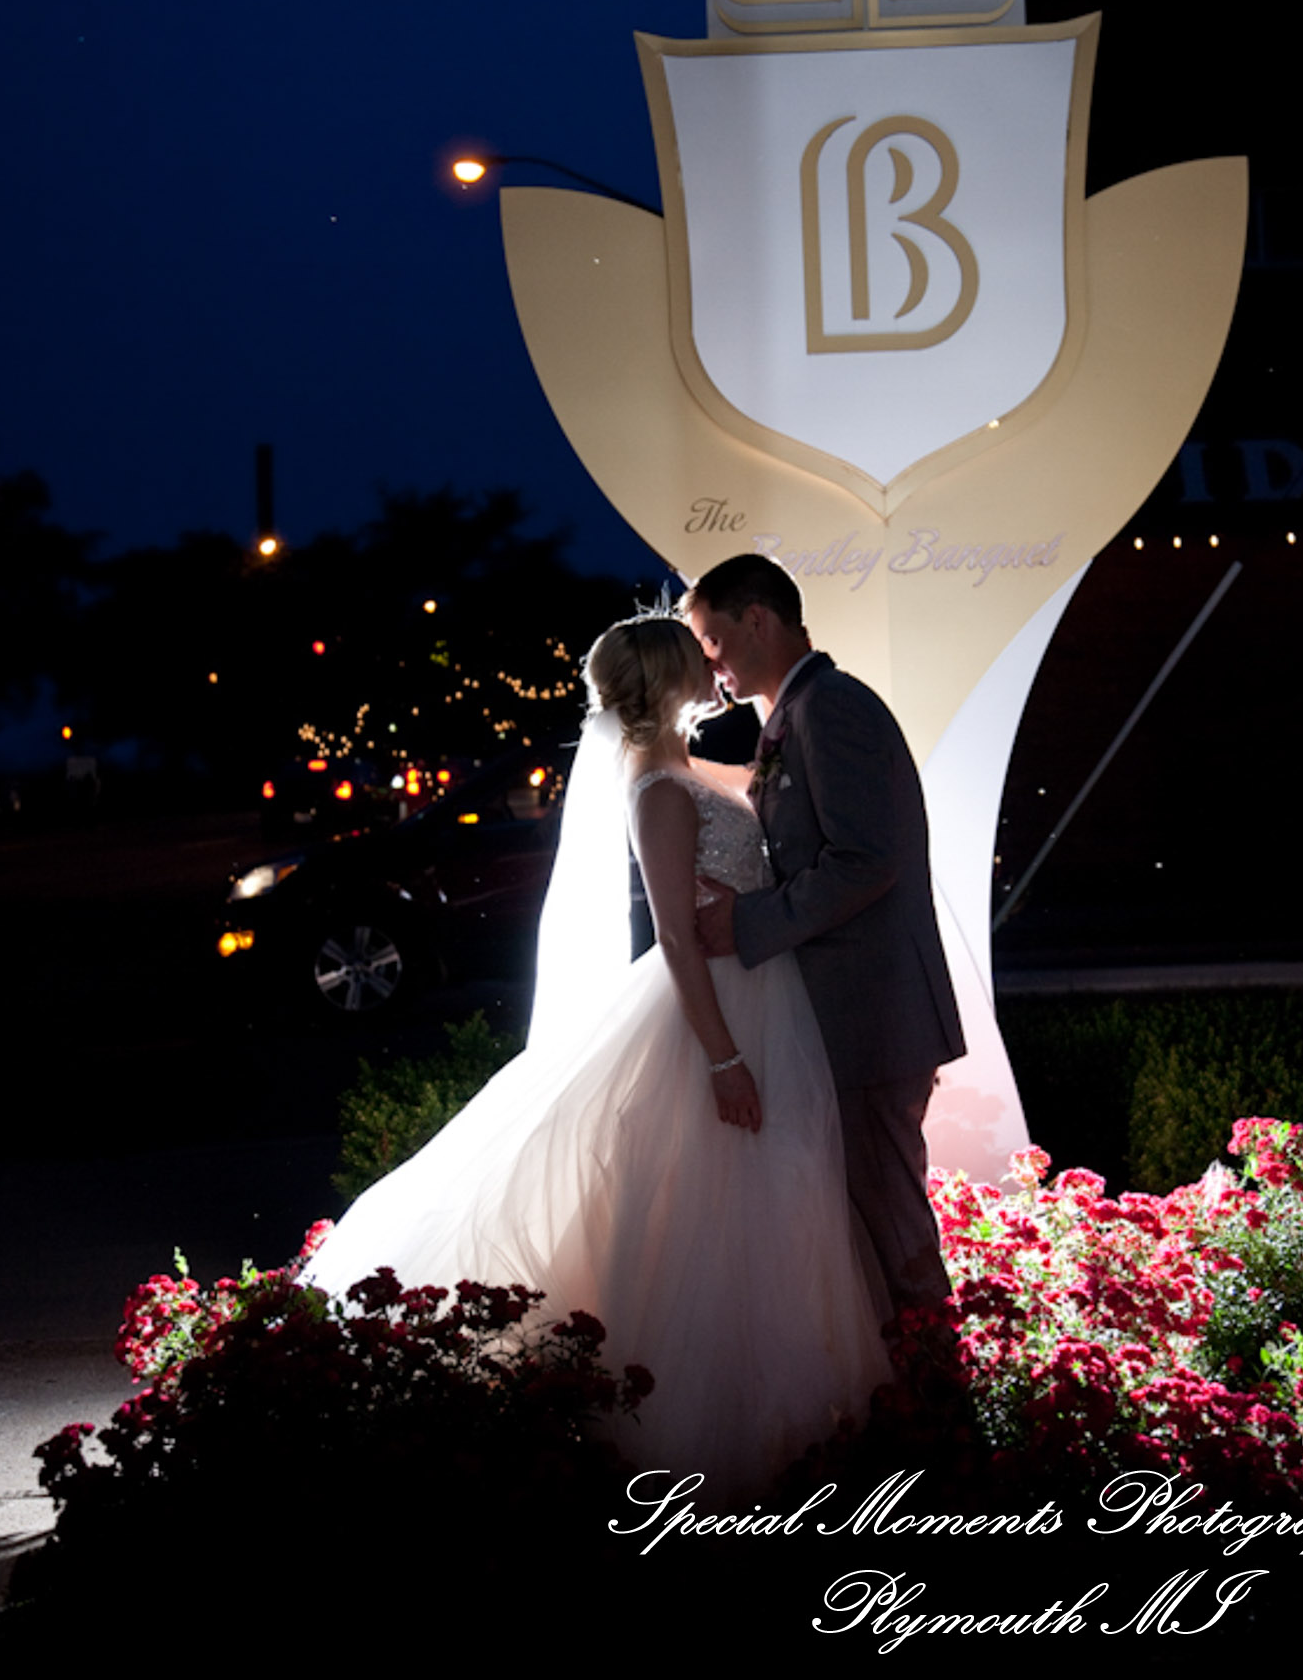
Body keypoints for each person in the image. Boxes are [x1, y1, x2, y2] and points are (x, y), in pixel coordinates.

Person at [302, 616, 886, 1496]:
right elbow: (678, 938)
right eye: (698, 655)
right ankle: (716, 1424)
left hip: (768, 996)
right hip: (715, 1011)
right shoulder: (655, 789)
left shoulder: (689, 769)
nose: (712, 661)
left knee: (777, 1191)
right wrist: (723, 1060)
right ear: (666, 679)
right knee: (717, 1206)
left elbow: (772, 797)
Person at [684, 555, 965, 1317]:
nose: (711, 667)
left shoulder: (830, 706)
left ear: (757, 619)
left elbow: (864, 860)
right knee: (865, 1220)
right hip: (849, 1013)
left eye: (712, 641)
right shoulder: (799, 712)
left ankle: (940, 1405)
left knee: (891, 1224)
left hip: (871, 1012)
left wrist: (744, 922)